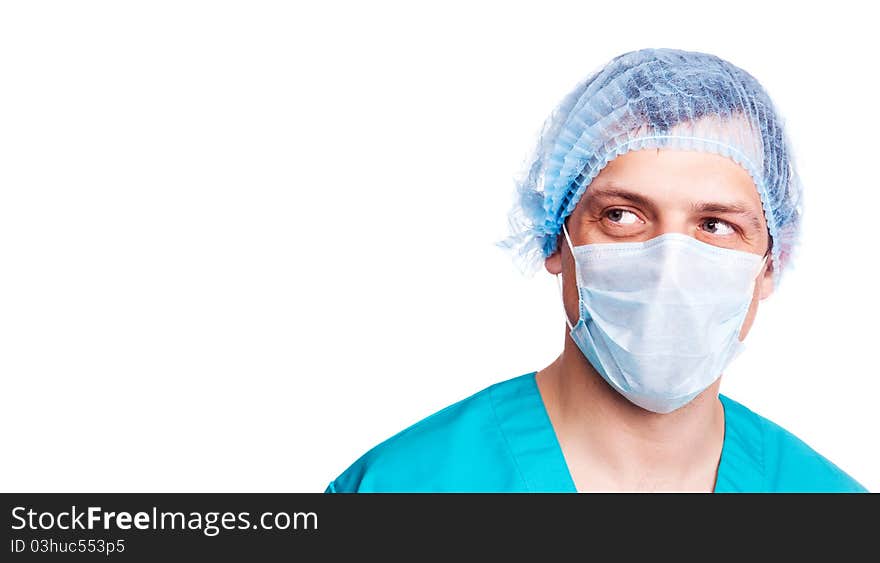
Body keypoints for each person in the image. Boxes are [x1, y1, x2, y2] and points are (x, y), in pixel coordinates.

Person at [324, 47, 867, 493]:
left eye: (716, 225)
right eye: (622, 215)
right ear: (556, 239)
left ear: (769, 264)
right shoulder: (401, 490)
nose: (668, 267)